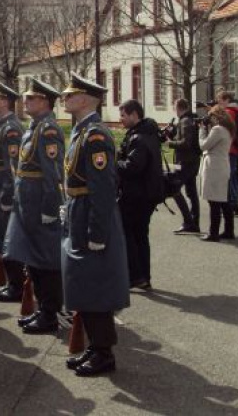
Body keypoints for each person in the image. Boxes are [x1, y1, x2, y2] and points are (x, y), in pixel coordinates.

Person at [60, 72, 130, 377]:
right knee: (83, 282)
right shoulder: (81, 132)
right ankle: (94, 345)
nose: (65, 98)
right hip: (78, 210)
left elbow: (102, 189)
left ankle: (104, 352)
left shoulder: (96, 136)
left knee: (96, 284)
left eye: (70, 94)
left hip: (91, 213)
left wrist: (97, 232)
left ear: (86, 99)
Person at [3, 78, 66, 335]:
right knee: (34, 261)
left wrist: (50, 210)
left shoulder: (48, 130)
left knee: (45, 261)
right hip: (28, 205)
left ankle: (50, 313)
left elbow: (53, 175)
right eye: (26, 97)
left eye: (31, 98)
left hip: (41, 206)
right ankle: (43, 309)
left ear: (45, 102)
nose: (25, 101)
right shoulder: (35, 128)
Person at [116, 99, 164, 291]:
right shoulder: (147, 133)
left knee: (128, 233)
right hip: (145, 194)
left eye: (123, 115)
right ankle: (143, 276)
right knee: (140, 235)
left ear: (134, 115)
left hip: (136, 195)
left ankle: (135, 275)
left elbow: (132, 167)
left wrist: (113, 163)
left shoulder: (140, 138)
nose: (120, 119)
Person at [0, 82, 25, 303]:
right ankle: (12, 283)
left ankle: (17, 285)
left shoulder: (11, 128)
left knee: (9, 238)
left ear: (5, 101)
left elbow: (14, 167)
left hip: (3, 189)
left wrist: (7, 194)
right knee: (1, 235)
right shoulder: (0, 125)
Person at [198, 106, 236, 242]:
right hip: (222, 166)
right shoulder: (227, 129)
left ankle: (213, 233)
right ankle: (229, 230)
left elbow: (204, 145)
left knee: (214, 202)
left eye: (211, 116)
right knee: (223, 201)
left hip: (214, 168)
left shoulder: (218, 129)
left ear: (216, 117)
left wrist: (202, 130)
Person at [166, 98, 202, 234]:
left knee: (173, 188)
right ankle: (194, 222)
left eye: (174, 107)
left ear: (178, 108)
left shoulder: (185, 121)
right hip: (190, 161)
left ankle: (189, 221)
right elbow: (182, 139)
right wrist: (171, 135)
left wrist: (170, 143)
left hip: (186, 162)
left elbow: (186, 143)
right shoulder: (188, 120)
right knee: (191, 192)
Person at [217, 91, 238, 215]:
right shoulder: (236, 111)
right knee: (232, 177)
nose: (218, 102)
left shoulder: (229, 113)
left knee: (229, 178)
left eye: (220, 100)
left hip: (229, 149)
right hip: (234, 149)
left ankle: (233, 204)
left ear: (227, 100)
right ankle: (234, 204)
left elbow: (226, 132)